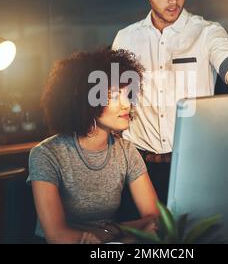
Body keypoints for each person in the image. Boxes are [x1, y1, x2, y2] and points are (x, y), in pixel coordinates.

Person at [112, 0, 228, 202]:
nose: (174, 1)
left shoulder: (207, 32)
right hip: (137, 167)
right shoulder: (125, 38)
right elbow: (113, 97)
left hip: (194, 163)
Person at [27, 49, 159, 244]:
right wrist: (126, 232)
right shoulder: (46, 154)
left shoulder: (126, 151)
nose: (127, 104)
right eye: (114, 95)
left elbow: (155, 218)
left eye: (128, 93)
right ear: (85, 100)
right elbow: (57, 236)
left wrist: (110, 232)